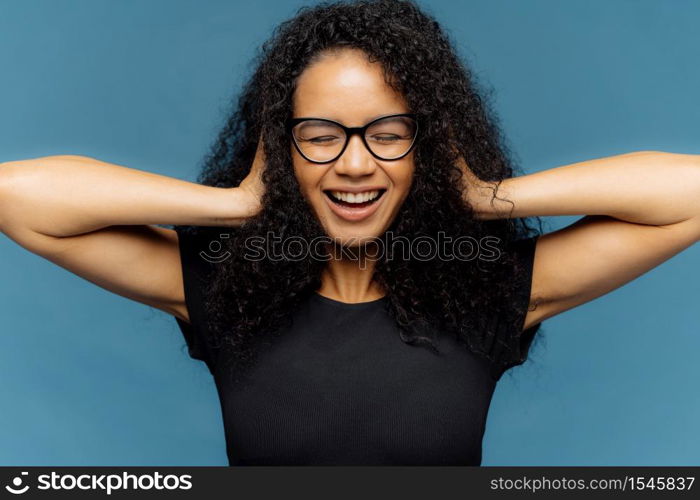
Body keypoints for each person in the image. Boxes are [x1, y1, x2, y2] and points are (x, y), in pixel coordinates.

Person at [1, 0, 698, 466]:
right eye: (321, 136)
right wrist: (243, 204)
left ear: (423, 148)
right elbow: (17, 196)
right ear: (282, 147)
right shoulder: (220, 290)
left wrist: (485, 196)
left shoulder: (490, 291)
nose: (356, 163)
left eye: (389, 134)